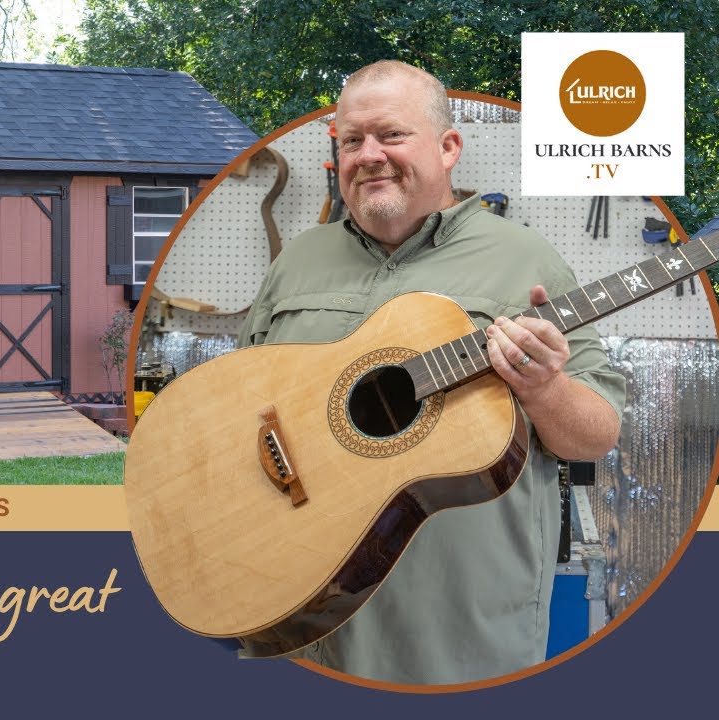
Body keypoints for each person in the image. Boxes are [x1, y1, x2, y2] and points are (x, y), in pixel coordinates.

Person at [237, 60, 625, 684]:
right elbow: (236, 400)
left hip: (453, 635)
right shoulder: (297, 261)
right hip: (288, 613)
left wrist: (545, 387)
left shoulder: (526, 262)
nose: (368, 155)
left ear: (448, 148)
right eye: (350, 141)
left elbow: (596, 434)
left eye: (390, 135)